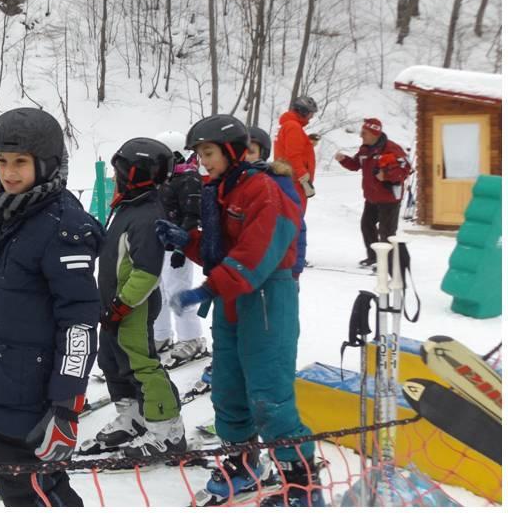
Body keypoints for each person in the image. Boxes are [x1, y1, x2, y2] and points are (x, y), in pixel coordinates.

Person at [156, 115, 321, 506]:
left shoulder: (263, 190)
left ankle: (301, 483)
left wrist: (208, 288)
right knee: (229, 389)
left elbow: (255, 255)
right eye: (198, 155)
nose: (202, 162)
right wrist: (188, 241)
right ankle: (242, 465)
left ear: (232, 151)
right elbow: (224, 248)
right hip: (233, 299)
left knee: (269, 395)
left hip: (266, 300)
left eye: (208, 153)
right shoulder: (222, 189)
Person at [0, 107, 101, 507]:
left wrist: (66, 406)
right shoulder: (5, 214)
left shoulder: (62, 227)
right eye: (2, 162)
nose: (8, 172)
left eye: (20, 162)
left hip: (35, 397)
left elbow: (79, 324)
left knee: (38, 495)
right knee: (19, 490)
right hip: (1, 384)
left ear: (48, 164)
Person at [96, 137, 186, 459]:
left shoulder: (147, 215)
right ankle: (133, 415)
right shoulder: (127, 207)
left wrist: (121, 306)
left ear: (137, 174)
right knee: (111, 360)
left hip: (132, 306)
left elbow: (146, 272)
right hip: (113, 304)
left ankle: (167, 429)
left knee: (140, 365)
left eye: (121, 170)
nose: (116, 176)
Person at [153, 130, 208, 363]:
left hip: (179, 245)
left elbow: (192, 215)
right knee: (159, 291)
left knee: (177, 291)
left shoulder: (189, 178)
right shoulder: (166, 178)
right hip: (161, 244)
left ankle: (191, 337)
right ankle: (162, 334)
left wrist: (179, 246)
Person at [335, 118, 411, 268]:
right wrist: (344, 160)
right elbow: (356, 165)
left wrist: (387, 176)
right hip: (371, 197)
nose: (361, 136)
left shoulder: (392, 149)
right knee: (366, 225)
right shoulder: (364, 149)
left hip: (389, 198)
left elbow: (405, 169)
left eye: (364, 133)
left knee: (387, 231)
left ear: (374, 133)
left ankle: (387, 262)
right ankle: (374, 257)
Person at [247, 128, 306, 280]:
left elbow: (297, 225)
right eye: (241, 152)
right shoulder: (233, 182)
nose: (246, 157)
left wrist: (296, 269)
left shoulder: (278, 182)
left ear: (262, 153)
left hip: (275, 266)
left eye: (251, 152)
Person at [273, 96, 318, 214]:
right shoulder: (293, 127)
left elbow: (288, 149)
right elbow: (293, 155)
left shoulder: (286, 125)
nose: (311, 117)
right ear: (303, 111)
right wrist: (304, 178)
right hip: (295, 182)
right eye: (310, 113)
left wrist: (307, 143)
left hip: (288, 178)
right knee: (295, 218)